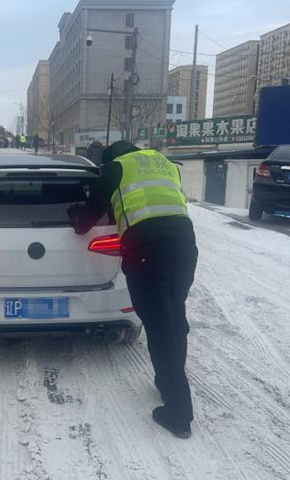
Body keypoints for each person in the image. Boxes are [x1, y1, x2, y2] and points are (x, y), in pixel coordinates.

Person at [68, 140, 198, 438]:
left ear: (111, 159)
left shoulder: (116, 168)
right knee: (175, 318)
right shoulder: (164, 164)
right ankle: (168, 383)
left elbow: (88, 218)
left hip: (146, 252)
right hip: (185, 248)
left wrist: (76, 216)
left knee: (160, 326)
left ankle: (178, 413)